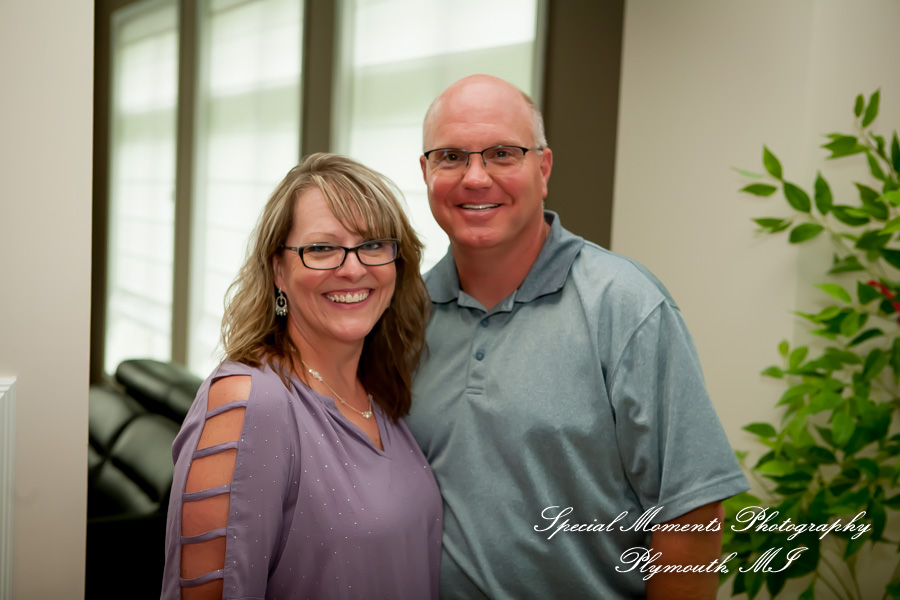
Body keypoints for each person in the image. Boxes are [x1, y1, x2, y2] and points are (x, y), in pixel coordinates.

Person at [405, 74, 750, 599]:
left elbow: (692, 511)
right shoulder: (406, 316)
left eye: (502, 153)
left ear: (542, 168)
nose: (475, 178)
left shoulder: (625, 305)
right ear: (426, 172)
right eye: (451, 156)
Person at [160, 153, 442, 599]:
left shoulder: (382, 393)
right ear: (279, 270)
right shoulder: (249, 402)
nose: (352, 268)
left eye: (372, 245)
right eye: (322, 248)